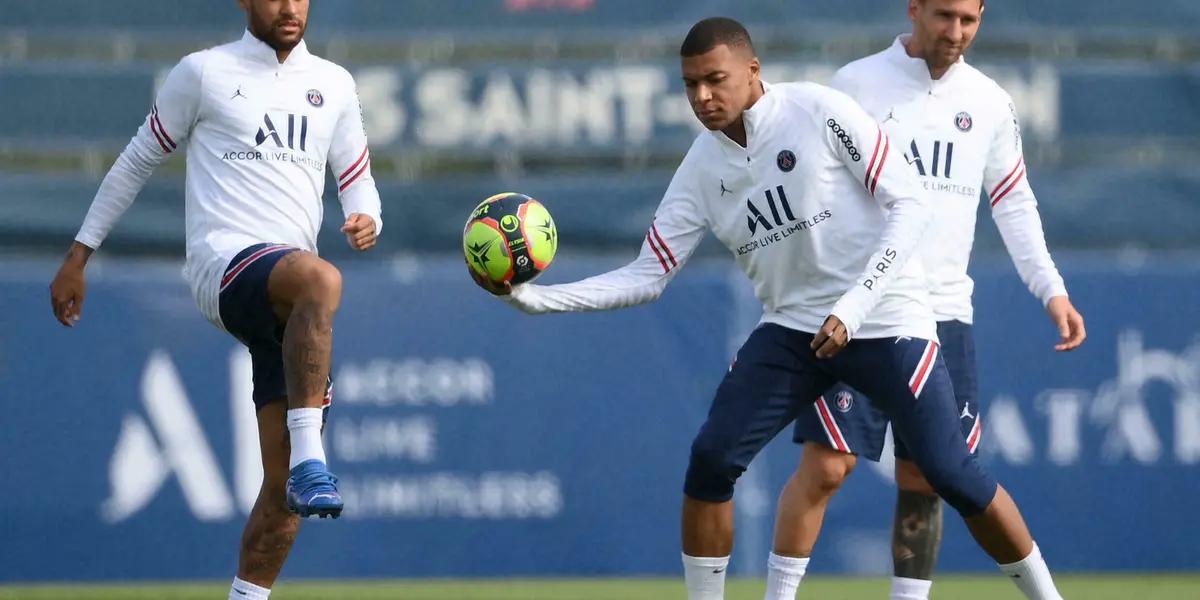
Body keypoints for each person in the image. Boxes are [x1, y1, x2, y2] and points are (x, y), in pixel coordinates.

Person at [471, 16, 1064, 600]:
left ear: (752, 71)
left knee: (951, 476)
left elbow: (910, 205)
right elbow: (648, 276)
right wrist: (537, 299)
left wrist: (855, 308)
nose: (703, 97)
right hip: (794, 330)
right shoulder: (702, 167)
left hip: (885, 318)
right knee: (712, 459)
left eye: (715, 80)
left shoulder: (817, 110)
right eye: (691, 85)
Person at [47, 1, 382, 598]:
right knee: (323, 281)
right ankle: (312, 456)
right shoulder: (203, 73)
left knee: (282, 501)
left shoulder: (332, 83)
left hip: (285, 296)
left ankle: (251, 582)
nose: (289, 7)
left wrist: (366, 218)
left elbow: (357, 179)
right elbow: (135, 162)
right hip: (223, 264)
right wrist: (79, 254)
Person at [770, 1, 1085, 598]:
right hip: (859, 311)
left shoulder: (990, 101)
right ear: (914, 9)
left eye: (970, 19)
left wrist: (1052, 288)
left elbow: (1013, 202)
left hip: (943, 315)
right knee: (827, 466)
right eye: (944, 16)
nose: (957, 32)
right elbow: (811, 188)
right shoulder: (857, 84)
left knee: (928, 477)